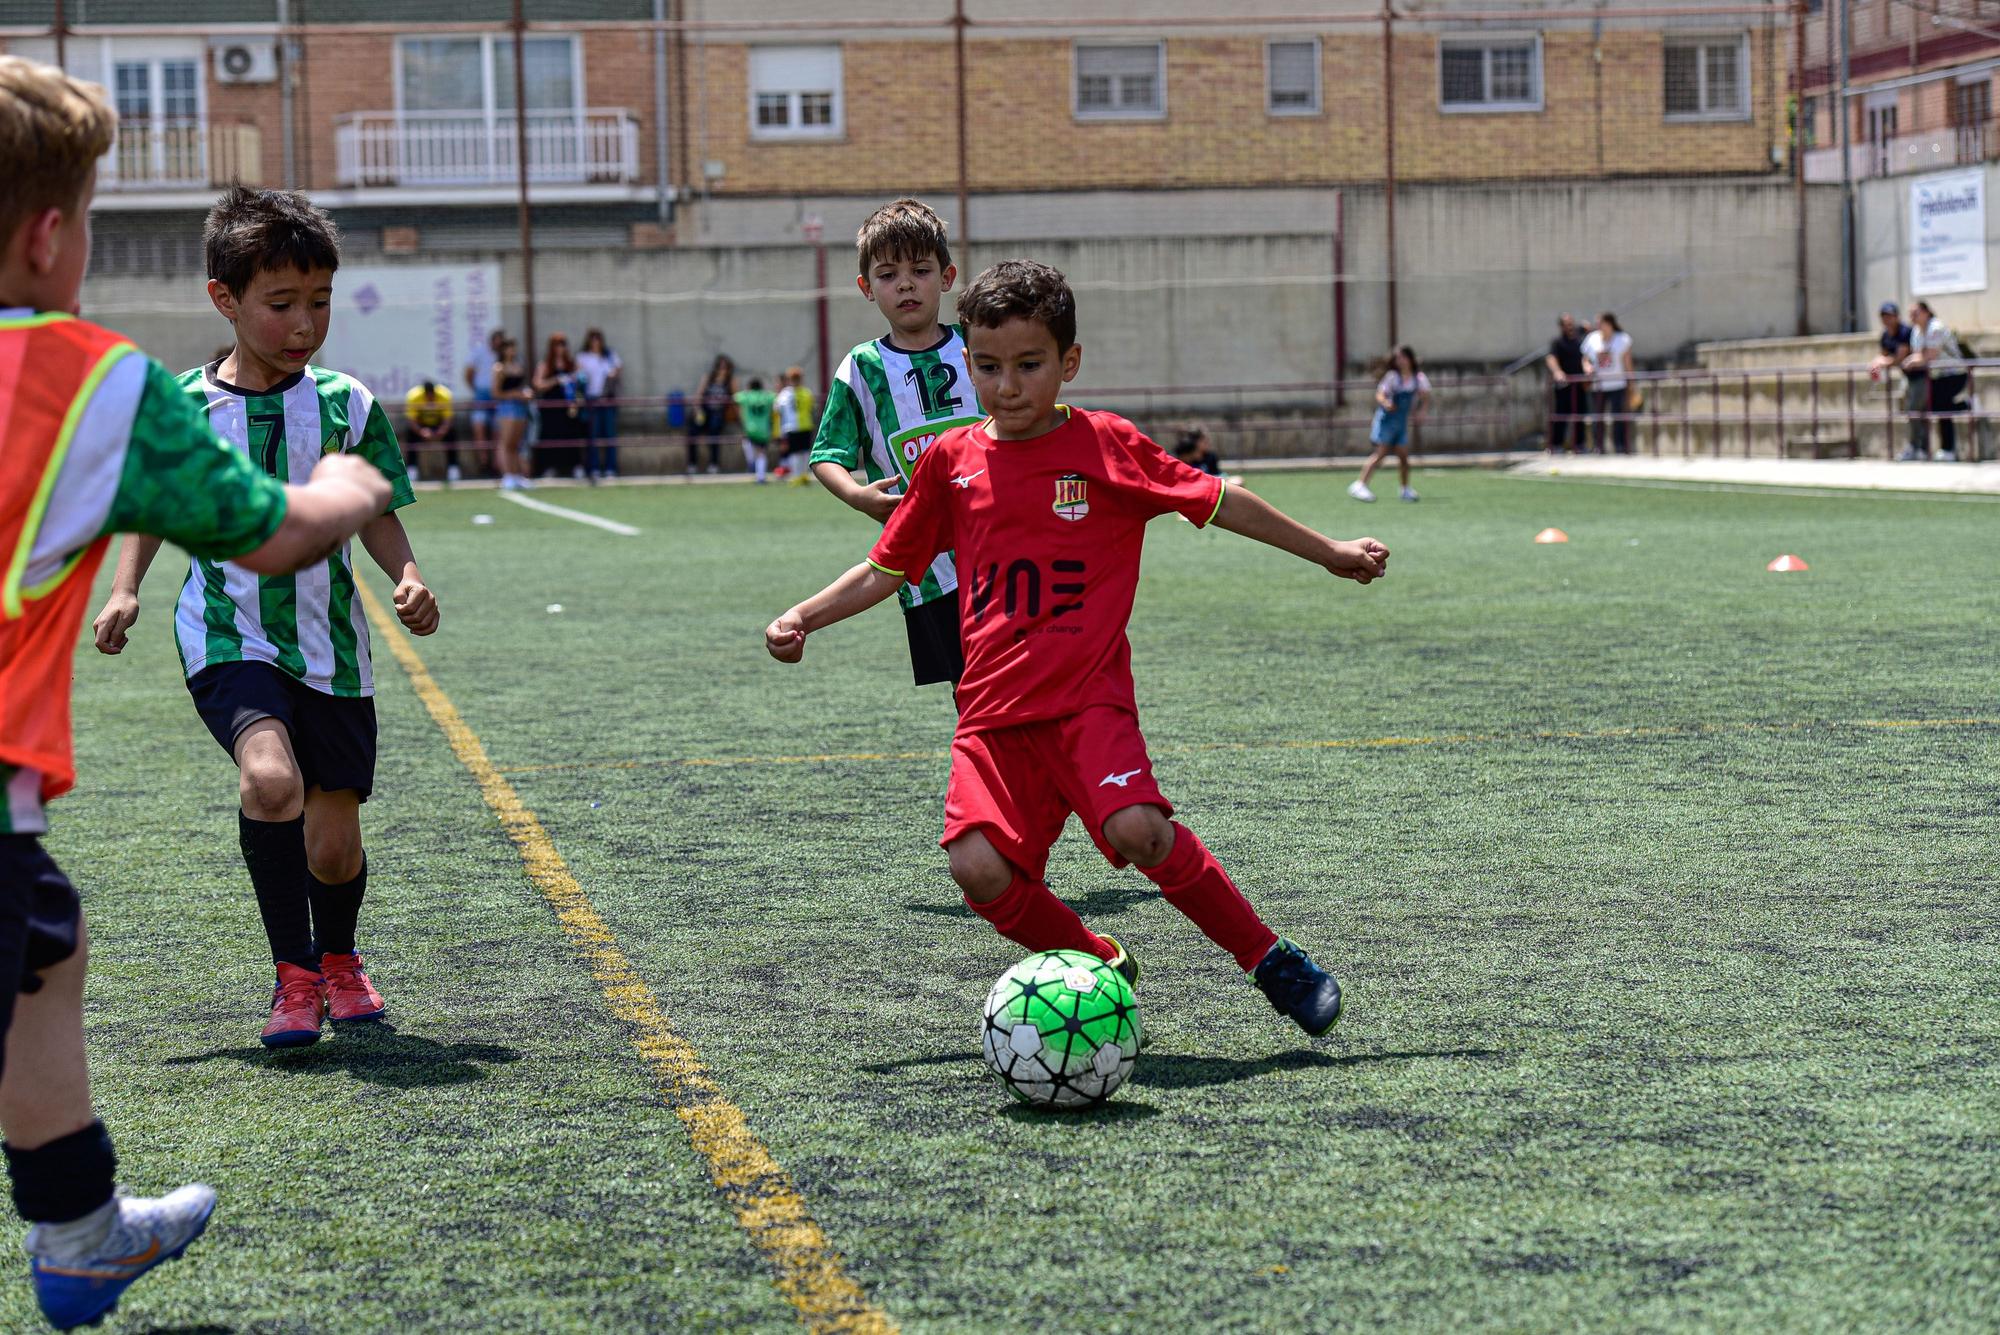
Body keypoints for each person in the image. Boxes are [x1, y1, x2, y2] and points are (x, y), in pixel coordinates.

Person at [0, 56, 392, 1331]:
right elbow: (265, 529)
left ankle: (80, 1229)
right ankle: (78, 1230)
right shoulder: (92, 381)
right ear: (53, 233)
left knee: (44, 952)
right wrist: (352, 490)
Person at [769, 260, 1387, 1035]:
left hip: (1087, 701)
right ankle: (1093, 953)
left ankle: (1270, 959)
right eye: (989, 367)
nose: (1008, 386)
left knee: (1140, 828)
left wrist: (1328, 549)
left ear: (1069, 363)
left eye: (1029, 366)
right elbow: (887, 568)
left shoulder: (1107, 445)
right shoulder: (949, 465)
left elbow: (1220, 501)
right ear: (968, 362)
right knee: (976, 869)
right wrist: (804, 616)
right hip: (992, 715)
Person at [90, 184, 438, 1059]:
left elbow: (379, 510)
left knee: (331, 846)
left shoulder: (345, 404)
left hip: (332, 646)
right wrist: (128, 586)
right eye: (281, 304)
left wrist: (409, 577)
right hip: (227, 634)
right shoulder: (184, 408)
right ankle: (294, 976)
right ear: (225, 299)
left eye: (318, 302)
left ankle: (341, 955)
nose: (304, 323)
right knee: (268, 780)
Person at [809, 198, 985, 688]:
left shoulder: (978, 348)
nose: (905, 283)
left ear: (947, 277)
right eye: (888, 274)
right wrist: (858, 495)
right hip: (928, 569)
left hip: (1004, 546)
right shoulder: (862, 367)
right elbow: (828, 455)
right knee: (968, 689)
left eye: (920, 269)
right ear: (867, 288)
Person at [1349, 346, 1429, 503]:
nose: (1399, 361)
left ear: (1410, 359)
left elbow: (1425, 397)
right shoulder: (1393, 377)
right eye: (1397, 358)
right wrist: (1386, 402)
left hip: (1401, 422)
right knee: (1381, 453)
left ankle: (1405, 489)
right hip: (1387, 420)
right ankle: (1360, 484)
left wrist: (1422, 412)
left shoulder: (1418, 378)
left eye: (1402, 357)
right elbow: (1380, 394)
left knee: (1403, 457)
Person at [1904, 300, 1967, 462]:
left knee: (1942, 407)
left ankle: (1948, 449)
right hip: (1937, 376)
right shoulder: (1916, 332)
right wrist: (1914, 359)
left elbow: (1929, 355)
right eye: (1910, 313)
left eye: (1915, 312)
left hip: (1955, 374)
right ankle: (1966, 405)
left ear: (1926, 312)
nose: (1912, 316)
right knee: (1937, 407)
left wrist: (1912, 360)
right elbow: (1919, 355)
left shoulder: (1935, 327)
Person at [532, 331, 585, 480]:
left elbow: (581, 380)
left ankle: (575, 466)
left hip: (568, 407)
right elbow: (537, 384)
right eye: (557, 345)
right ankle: (550, 467)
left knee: (571, 435)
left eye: (563, 344)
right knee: (551, 436)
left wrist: (574, 381)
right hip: (551, 408)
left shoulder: (572, 364)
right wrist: (555, 380)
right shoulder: (545, 365)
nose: (560, 348)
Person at [1581, 312, 1634, 455]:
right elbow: (1585, 359)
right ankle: (1598, 446)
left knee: (1618, 417)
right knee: (1597, 418)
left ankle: (1619, 446)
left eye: (1601, 323)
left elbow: (1628, 363)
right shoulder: (1592, 339)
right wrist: (1587, 367)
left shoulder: (1622, 339)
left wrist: (1631, 384)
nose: (1598, 326)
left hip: (1617, 384)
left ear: (1609, 324)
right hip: (1598, 386)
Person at [576, 328, 622, 480]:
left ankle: (610, 468)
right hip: (592, 399)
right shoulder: (583, 357)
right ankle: (594, 468)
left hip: (607, 398)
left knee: (610, 434)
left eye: (598, 339)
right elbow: (579, 376)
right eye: (593, 339)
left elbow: (618, 369)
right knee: (593, 435)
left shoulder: (609, 356)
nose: (596, 342)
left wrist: (613, 374)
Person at [1544, 312, 1589, 454]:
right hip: (1564, 385)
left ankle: (1579, 445)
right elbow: (1551, 358)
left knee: (1579, 416)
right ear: (1561, 326)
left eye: (1571, 323)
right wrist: (1558, 372)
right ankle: (1556, 445)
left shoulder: (1579, 339)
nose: (1570, 326)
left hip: (1579, 385)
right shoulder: (1557, 342)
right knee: (1560, 416)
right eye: (1566, 324)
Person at [493, 337, 533, 489]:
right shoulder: (499, 368)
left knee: (517, 443)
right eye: (508, 347)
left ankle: (518, 475)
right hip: (507, 407)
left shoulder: (518, 366)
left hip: (520, 407)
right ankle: (508, 475)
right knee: (506, 442)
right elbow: (496, 393)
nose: (512, 351)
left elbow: (521, 386)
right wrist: (515, 394)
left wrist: (525, 393)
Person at [403, 378, 458, 483]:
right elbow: (411, 420)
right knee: (410, 436)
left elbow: (448, 418)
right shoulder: (413, 396)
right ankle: (412, 470)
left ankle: (453, 468)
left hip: (439, 424)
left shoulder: (445, 395)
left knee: (452, 435)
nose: (430, 398)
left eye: (432, 396)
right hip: (421, 425)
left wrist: (442, 430)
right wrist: (421, 431)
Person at [464, 327, 502, 475]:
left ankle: (497, 464)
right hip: (481, 395)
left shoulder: (502, 355)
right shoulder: (479, 352)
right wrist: (476, 389)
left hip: (497, 396)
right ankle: (483, 462)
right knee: (479, 427)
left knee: (497, 430)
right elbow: (469, 373)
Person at [690, 353, 736, 475]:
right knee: (692, 432)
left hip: (719, 412)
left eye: (725, 367)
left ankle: (713, 464)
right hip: (705, 411)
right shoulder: (708, 378)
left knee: (714, 431)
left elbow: (736, 399)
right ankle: (692, 464)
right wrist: (697, 410)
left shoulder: (730, 381)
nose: (722, 370)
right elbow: (698, 396)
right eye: (720, 367)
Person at [774, 366, 816, 485]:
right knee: (803, 452)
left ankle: (797, 476)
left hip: (791, 426)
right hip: (805, 425)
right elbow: (812, 408)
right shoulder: (807, 392)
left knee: (795, 452)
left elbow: (777, 408)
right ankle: (803, 475)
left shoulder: (785, 393)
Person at [735, 375, 778, 483]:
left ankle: (751, 463)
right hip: (763, 429)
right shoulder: (767, 396)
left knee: (748, 444)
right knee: (761, 453)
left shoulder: (747, 396)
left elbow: (735, 397)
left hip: (750, 429)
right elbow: (776, 397)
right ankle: (761, 476)